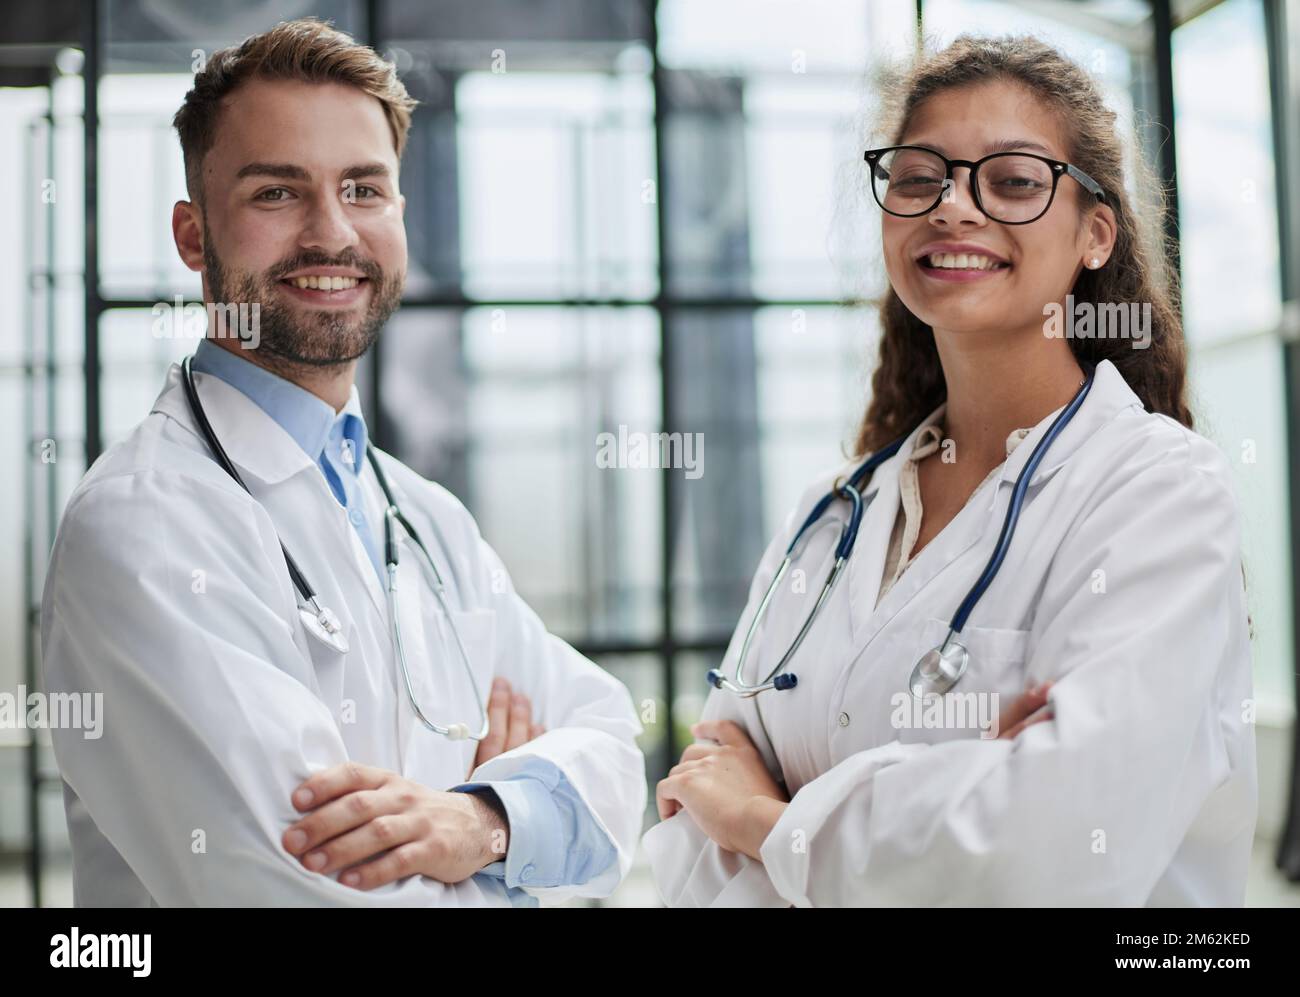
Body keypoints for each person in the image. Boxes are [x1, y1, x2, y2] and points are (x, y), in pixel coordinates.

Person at [40, 17, 645, 907]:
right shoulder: (146, 527)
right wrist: (521, 849)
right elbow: (313, 895)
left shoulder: (424, 517)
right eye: (277, 194)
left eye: (364, 188)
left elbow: (614, 749)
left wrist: (476, 820)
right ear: (194, 236)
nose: (332, 235)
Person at [642, 34, 1257, 907]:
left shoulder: (1156, 491)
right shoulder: (833, 514)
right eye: (918, 176)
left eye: (1011, 181)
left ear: (1094, 234)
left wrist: (767, 823)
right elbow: (687, 816)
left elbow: (1043, 853)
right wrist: (925, 800)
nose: (953, 207)